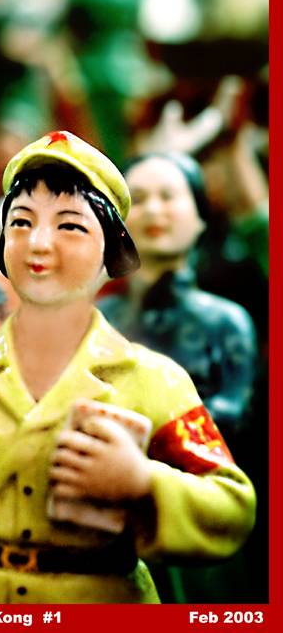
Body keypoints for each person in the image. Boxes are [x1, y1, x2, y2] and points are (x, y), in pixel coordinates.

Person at [0, 130, 255, 604]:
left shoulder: (153, 380)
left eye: (70, 226)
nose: (39, 243)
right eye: (21, 222)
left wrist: (143, 482)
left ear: (111, 253)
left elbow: (230, 504)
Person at [98, 152, 257, 446]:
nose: (153, 210)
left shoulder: (225, 321)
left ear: (200, 218)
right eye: (138, 199)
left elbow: (234, 415)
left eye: (168, 196)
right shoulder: (98, 318)